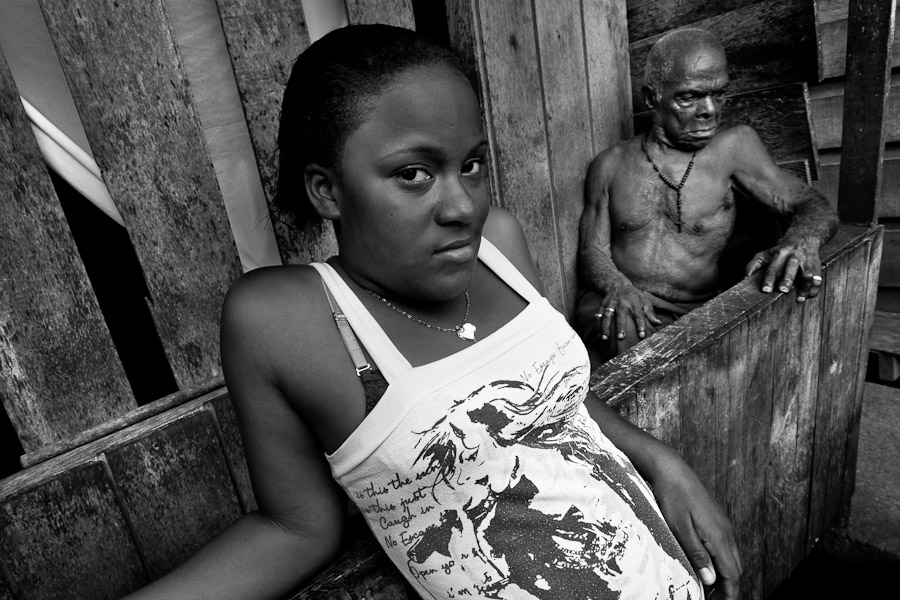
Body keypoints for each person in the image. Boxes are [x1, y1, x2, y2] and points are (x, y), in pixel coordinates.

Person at [123, 24, 742, 600]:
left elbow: (561, 400)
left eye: (470, 165)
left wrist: (661, 461)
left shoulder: (497, 241)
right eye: (414, 174)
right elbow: (296, 529)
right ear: (327, 190)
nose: (462, 206)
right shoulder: (287, 318)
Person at [573, 28, 838, 367]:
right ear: (653, 98)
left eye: (719, 94)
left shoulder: (734, 147)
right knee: (622, 328)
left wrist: (801, 242)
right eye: (690, 97)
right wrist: (617, 285)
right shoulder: (610, 164)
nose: (710, 110)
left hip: (697, 312)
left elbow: (812, 204)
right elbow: (591, 250)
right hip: (624, 305)